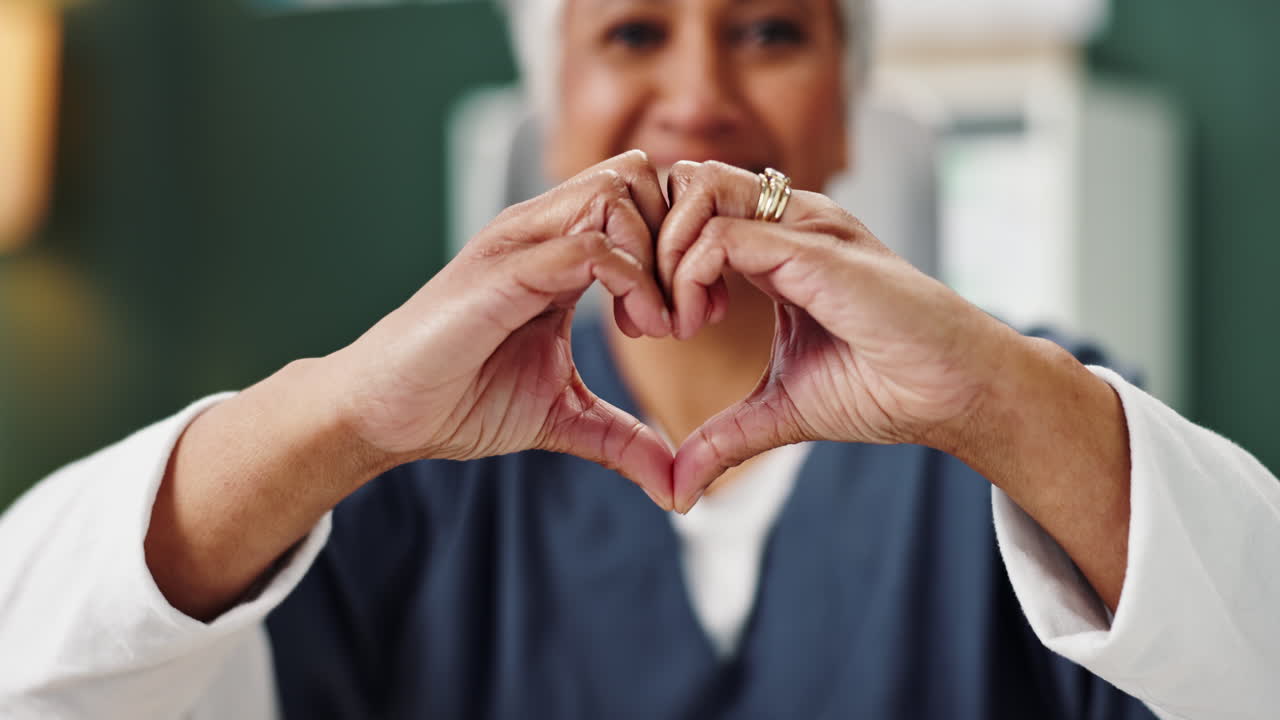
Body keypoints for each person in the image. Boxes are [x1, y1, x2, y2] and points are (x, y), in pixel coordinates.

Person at [1, 0, 1278, 717]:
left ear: (846, 112)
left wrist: (992, 389)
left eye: (769, 31)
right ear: (549, 104)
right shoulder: (402, 480)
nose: (697, 93)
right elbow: (46, 673)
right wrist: (344, 415)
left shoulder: (1029, 422)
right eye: (629, 34)